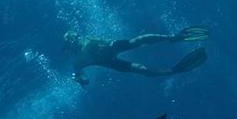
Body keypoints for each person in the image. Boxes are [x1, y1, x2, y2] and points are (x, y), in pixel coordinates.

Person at [64, 27, 211, 87]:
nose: (76, 41)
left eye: (75, 38)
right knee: (141, 68)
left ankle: (171, 37)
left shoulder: (87, 41)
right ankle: (173, 70)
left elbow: (103, 41)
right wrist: (81, 80)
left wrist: (81, 79)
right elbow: (78, 74)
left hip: (113, 48)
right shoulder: (79, 60)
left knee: (137, 42)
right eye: (73, 41)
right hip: (111, 61)